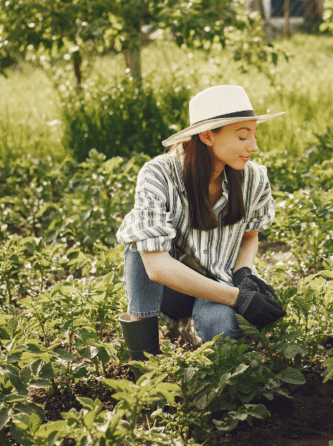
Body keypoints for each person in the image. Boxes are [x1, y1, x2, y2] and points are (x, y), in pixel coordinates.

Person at [115, 85, 287, 364]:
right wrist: (238, 298)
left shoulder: (254, 178)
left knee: (223, 333)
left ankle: (198, 334)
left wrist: (243, 275)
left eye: (254, 135)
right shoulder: (160, 174)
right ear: (207, 136)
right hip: (170, 292)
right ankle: (143, 364)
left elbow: (249, 235)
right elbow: (156, 267)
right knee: (139, 244)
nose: (253, 146)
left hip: (219, 285)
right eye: (243, 136)